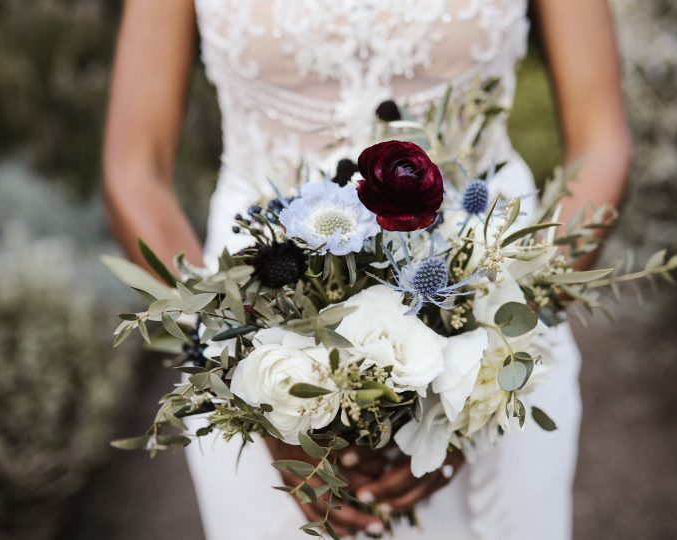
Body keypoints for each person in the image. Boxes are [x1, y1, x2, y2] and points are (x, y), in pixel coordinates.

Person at [103, 1, 630, 538]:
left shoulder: (505, 326)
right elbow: (134, 168)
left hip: (498, 287)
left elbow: (601, 139)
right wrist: (245, 376)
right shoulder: (240, 356)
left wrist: (490, 359)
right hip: (254, 300)